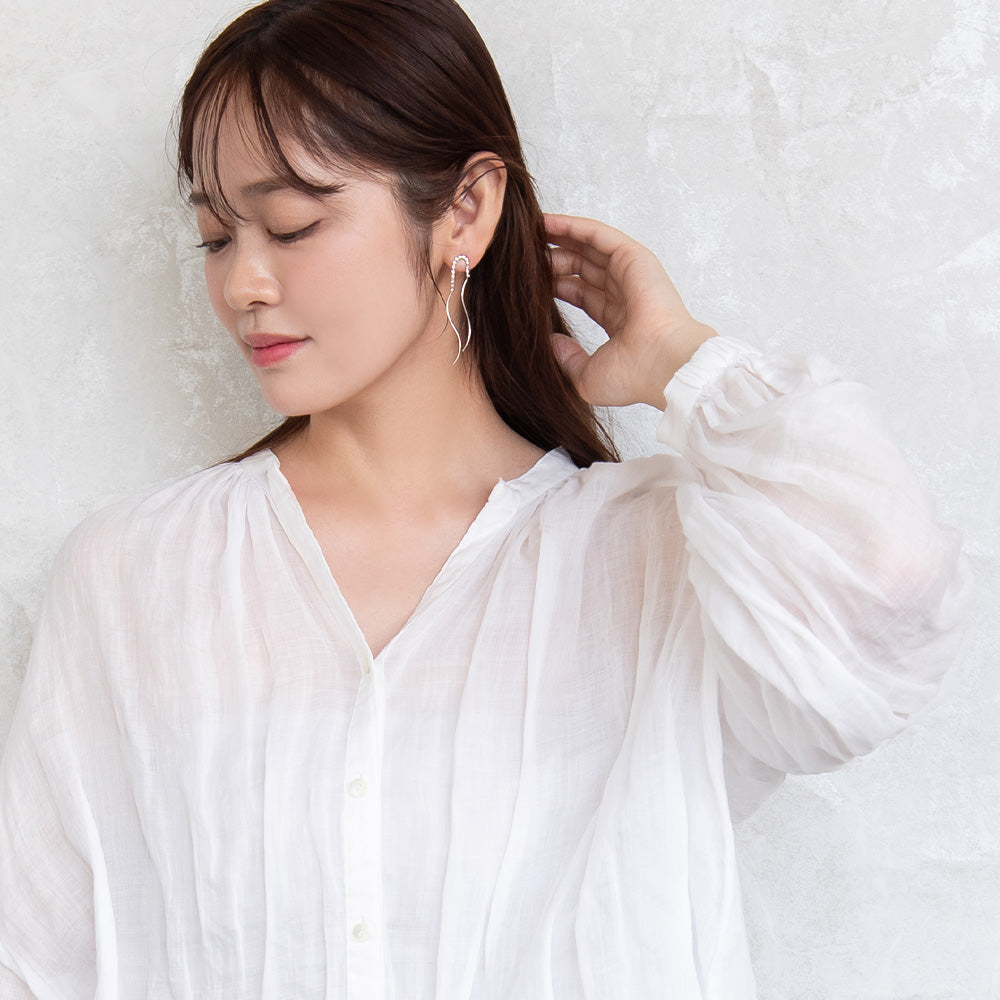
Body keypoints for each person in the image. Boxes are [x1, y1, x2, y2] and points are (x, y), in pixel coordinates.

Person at [0, 0, 968, 997]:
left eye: (292, 225)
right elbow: (36, 964)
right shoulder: (134, 577)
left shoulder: (664, 560)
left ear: (465, 209)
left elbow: (888, 592)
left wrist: (682, 363)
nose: (244, 282)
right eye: (215, 236)